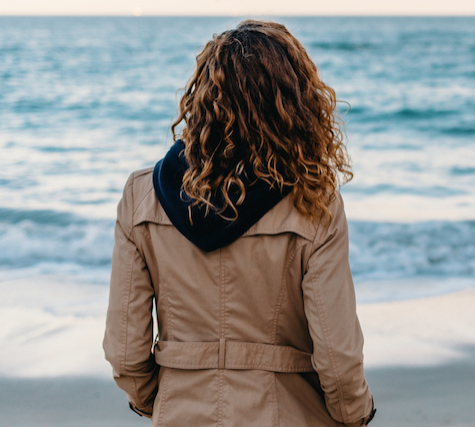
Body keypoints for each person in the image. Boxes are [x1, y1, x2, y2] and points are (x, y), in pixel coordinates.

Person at [104, 20, 377, 426]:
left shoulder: (142, 196)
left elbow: (126, 351)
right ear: (295, 104)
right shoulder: (314, 203)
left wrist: (164, 400)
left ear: (202, 99)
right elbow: (337, 358)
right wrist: (355, 415)